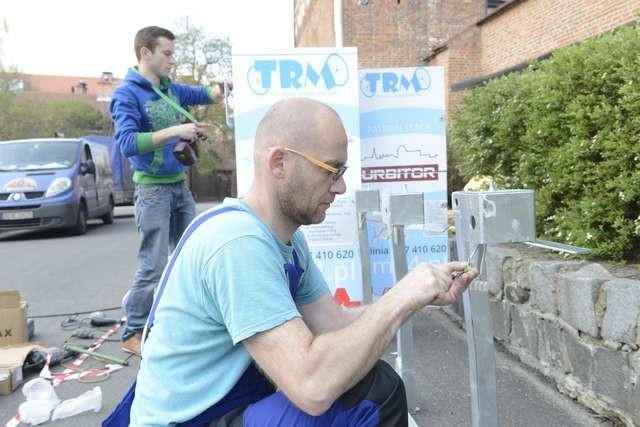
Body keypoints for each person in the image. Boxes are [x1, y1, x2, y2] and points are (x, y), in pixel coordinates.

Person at [123, 98, 478, 426]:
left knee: (361, 378)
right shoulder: (238, 242)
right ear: (279, 163)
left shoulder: (285, 240)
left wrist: (415, 297)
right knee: (372, 393)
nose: (340, 188)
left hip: (222, 412)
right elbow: (311, 387)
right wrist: (401, 298)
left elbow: (334, 325)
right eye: (331, 170)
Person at [109, 26, 227, 355]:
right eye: (167, 53)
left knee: (188, 257)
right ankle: (133, 331)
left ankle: (176, 322)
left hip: (179, 187)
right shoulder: (126, 94)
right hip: (152, 192)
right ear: (145, 53)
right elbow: (128, 143)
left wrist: (219, 89)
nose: (173, 59)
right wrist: (175, 129)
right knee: (153, 264)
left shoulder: (169, 88)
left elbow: (202, 94)